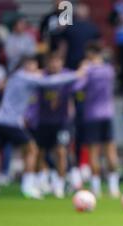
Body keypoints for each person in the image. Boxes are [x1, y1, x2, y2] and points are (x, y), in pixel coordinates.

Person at [0, 55, 83, 198]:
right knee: (32, 149)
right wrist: (76, 74)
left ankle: (36, 183)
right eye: (33, 66)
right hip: (11, 122)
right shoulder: (26, 77)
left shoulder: (15, 76)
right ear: (26, 66)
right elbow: (49, 81)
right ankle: (27, 187)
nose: (37, 69)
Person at [73, 43, 120, 198]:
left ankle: (96, 188)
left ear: (90, 55)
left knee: (94, 153)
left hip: (91, 115)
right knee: (111, 152)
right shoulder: (109, 70)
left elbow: (76, 87)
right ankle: (114, 188)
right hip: (107, 114)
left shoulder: (88, 71)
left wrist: (83, 70)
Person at [34, 52, 76, 198]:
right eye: (51, 62)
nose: (54, 64)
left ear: (61, 63)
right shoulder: (41, 77)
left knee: (61, 152)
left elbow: (80, 81)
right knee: (40, 153)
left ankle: (59, 185)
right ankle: (41, 182)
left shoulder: (68, 77)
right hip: (43, 121)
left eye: (57, 61)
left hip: (61, 122)